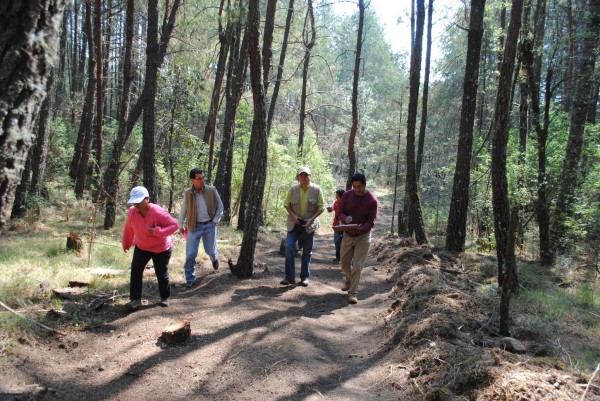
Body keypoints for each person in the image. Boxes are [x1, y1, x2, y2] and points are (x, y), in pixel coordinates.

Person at [122, 186, 179, 310]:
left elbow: (175, 226)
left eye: (139, 201)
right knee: (136, 271)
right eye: (134, 201)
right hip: (142, 247)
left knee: (161, 273)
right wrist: (126, 242)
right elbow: (129, 227)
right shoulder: (132, 211)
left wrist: (157, 232)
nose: (136, 204)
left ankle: (165, 298)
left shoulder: (159, 212)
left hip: (161, 249)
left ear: (147, 199)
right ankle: (135, 300)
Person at [179, 168, 224, 288]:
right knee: (190, 254)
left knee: (210, 250)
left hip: (210, 225)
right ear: (192, 180)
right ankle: (190, 279)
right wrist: (181, 224)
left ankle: (214, 258)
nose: (202, 180)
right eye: (199, 178)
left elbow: (220, 207)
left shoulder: (212, 190)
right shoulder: (187, 193)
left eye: (203, 177)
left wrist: (215, 221)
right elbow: (183, 210)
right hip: (194, 226)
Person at [280, 166, 325, 287]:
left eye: (306, 175)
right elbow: (286, 204)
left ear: (310, 176)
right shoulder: (293, 189)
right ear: (298, 177)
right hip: (294, 224)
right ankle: (289, 277)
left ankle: (304, 277)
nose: (304, 178)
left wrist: (311, 219)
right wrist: (293, 216)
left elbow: (321, 208)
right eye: (302, 175)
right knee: (289, 247)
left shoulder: (316, 190)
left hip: (309, 225)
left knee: (307, 252)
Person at [338, 172, 378, 304]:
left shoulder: (372, 200)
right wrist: (345, 219)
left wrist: (360, 229)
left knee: (357, 265)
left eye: (359, 187)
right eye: (354, 186)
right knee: (344, 263)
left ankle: (352, 293)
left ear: (365, 185)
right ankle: (348, 280)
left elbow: (371, 221)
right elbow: (340, 212)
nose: (357, 190)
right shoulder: (347, 195)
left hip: (363, 236)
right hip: (348, 234)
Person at [327, 189, 346, 263]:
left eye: (337, 197)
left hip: (346, 227)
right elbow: (331, 209)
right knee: (337, 242)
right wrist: (329, 209)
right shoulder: (335, 202)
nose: (336, 198)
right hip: (337, 226)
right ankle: (338, 257)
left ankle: (345, 259)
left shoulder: (348, 204)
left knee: (345, 243)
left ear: (342, 197)